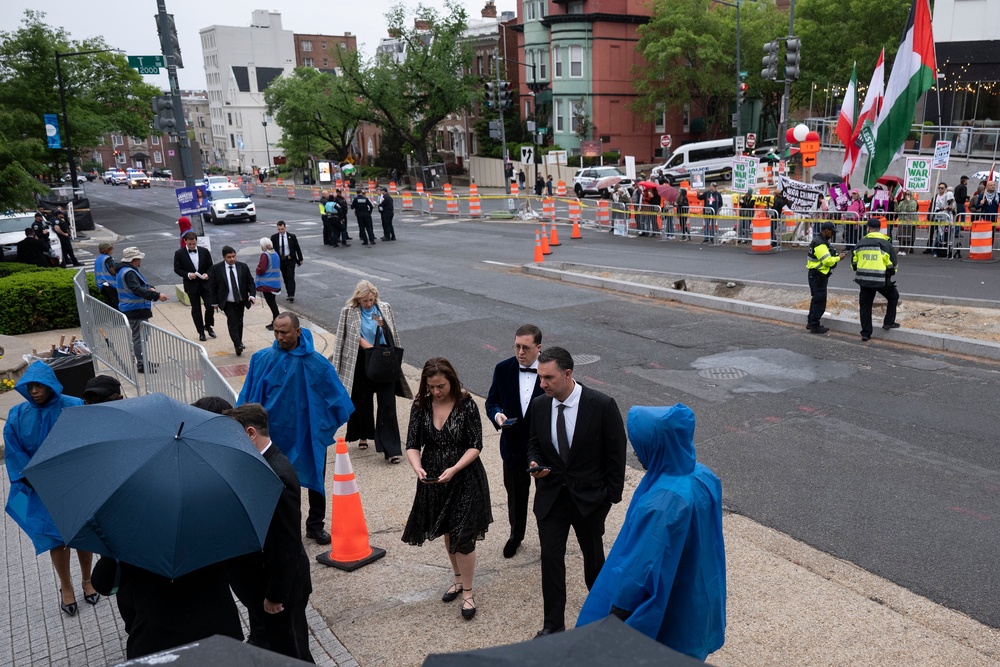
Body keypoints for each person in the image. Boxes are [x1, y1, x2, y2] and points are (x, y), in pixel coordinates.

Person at [577, 405, 726, 661]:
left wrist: (613, 616)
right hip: (698, 595)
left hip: (671, 607)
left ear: (657, 445)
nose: (635, 451)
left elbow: (638, 573)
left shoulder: (662, 502)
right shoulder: (704, 476)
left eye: (640, 444)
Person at [527, 346, 627, 636]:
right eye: (539, 377)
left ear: (568, 374)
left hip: (590, 501)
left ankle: (603, 618)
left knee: (594, 560)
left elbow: (615, 454)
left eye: (548, 378)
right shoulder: (539, 406)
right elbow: (534, 442)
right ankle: (553, 626)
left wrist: (609, 497)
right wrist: (534, 461)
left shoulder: (602, 404)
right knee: (551, 561)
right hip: (551, 499)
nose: (542, 384)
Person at [238, 312, 354, 545]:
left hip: (307, 433)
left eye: (284, 332)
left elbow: (337, 398)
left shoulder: (317, 363)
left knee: (315, 475)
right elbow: (248, 397)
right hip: (272, 435)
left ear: (298, 331)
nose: (279, 336)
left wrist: (322, 428)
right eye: (276, 332)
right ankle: (283, 527)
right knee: (277, 482)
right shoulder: (262, 359)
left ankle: (315, 524)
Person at [4, 363, 99, 618]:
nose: (34, 391)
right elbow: (14, 452)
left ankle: (87, 580)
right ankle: (66, 586)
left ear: (51, 385)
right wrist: (33, 477)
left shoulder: (74, 406)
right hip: (41, 485)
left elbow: (87, 442)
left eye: (39, 386)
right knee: (55, 537)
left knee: (80, 532)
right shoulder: (17, 415)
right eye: (30, 387)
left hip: (72, 482)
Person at [401, 358, 493, 621]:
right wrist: (417, 467)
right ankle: (456, 578)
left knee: (463, 535)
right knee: (447, 530)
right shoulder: (421, 406)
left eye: (440, 386)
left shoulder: (466, 404)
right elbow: (411, 444)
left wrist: (453, 469)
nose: (436, 392)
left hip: (464, 476)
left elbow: (476, 445)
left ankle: (468, 592)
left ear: (451, 380)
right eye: (431, 387)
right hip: (433, 478)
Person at [227, 404, 314, 661]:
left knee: (292, 654)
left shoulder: (276, 475)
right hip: (271, 586)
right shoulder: (263, 464)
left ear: (251, 432)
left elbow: (285, 542)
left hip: (283, 592)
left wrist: (275, 595)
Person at [333, 280, 412, 462]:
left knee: (387, 403)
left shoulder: (382, 309)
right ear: (357, 300)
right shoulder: (349, 312)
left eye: (371, 299)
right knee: (361, 399)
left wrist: (392, 356)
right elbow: (341, 337)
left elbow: (391, 333)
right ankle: (362, 435)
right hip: (361, 359)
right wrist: (364, 346)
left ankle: (391, 449)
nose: (368, 303)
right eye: (364, 301)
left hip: (382, 358)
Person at [485, 324, 545, 559]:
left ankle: (547, 540)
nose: (520, 352)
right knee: (515, 497)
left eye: (526, 347)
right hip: (512, 447)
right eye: (517, 346)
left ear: (538, 348)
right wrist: (497, 415)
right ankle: (516, 535)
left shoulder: (549, 370)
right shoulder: (503, 369)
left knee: (545, 498)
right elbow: (492, 402)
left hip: (543, 449)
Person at [116, 247, 169, 373]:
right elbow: (137, 290)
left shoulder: (125, 271)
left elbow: (139, 286)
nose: (140, 261)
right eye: (139, 258)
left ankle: (143, 361)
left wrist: (149, 288)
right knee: (139, 337)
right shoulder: (129, 272)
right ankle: (142, 364)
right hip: (135, 309)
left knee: (141, 336)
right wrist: (156, 295)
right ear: (134, 259)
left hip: (133, 309)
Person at [852, 218, 900, 342]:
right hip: (880, 280)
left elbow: (854, 264)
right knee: (893, 296)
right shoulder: (885, 244)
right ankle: (888, 322)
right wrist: (889, 272)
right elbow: (893, 265)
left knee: (865, 306)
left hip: (864, 280)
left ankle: (866, 333)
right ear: (879, 229)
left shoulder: (860, 243)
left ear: (868, 229)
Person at [209, 246, 255, 356]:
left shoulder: (243, 267)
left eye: (234, 256)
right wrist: (214, 302)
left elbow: (250, 282)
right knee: (232, 321)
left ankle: (239, 341)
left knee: (240, 321)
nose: (232, 259)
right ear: (224, 257)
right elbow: (213, 286)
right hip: (227, 302)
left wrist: (252, 295)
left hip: (240, 300)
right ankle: (237, 343)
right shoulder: (217, 268)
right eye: (229, 257)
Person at [172, 232, 216, 342]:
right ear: (185, 242)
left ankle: (208, 325)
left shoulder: (204, 251)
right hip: (191, 285)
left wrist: (207, 274)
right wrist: (187, 274)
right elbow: (177, 269)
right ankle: (201, 332)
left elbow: (210, 266)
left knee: (210, 306)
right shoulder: (179, 253)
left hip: (205, 284)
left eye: (194, 244)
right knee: (196, 309)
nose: (192, 246)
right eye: (190, 244)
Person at [806, 222, 846, 334]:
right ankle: (815, 325)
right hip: (818, 275)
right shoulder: (820, 243)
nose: (833, 234)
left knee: (816, 299)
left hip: (816, 275)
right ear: (826, 230)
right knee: (819, 300)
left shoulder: (820, 241)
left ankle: (811, 322)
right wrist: (839, 258)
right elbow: (827, 261)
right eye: (832, 231)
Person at [270, 221, 302, 303]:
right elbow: (272, 250)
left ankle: (291, 294)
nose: (280, 231)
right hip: (281, 260)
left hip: (290, 259)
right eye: (279, 229)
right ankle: (289, 292)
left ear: (285, 228)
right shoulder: (274, 238)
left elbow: (297, 248)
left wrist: (300, 258)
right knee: (285, 277)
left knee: (290, 276)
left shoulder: (291, 236)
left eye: (282, 229)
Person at [255, 238, 282, 330]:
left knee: (272, 304)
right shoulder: (275, 254)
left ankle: (277, 322)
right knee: (273, 303)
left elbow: (261, 269)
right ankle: (275, 321)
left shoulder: (265, 255)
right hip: (275, 283)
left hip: (267, 284)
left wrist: (257, 269)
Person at [927, 183, 955, 255]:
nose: (940, 189)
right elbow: (935, 207)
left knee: (945, 234)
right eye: (939, 188)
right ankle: (933, 249)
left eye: (942, 188)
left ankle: (946, 250)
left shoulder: (947, 196)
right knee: (936, 234)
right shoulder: (936, 197)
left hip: (947, 219)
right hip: (937, 217)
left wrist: (951, 208)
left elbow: (954, 210)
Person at [94, 241, 120, 309]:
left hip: (101, 284)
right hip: (110, 283)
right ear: (108, 249)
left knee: (108, 302)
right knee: (117, 302)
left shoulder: (99, 258)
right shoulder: (108, 259)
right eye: (111, 248)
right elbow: (112, 271)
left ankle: (112, 318)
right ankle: (120, 318)